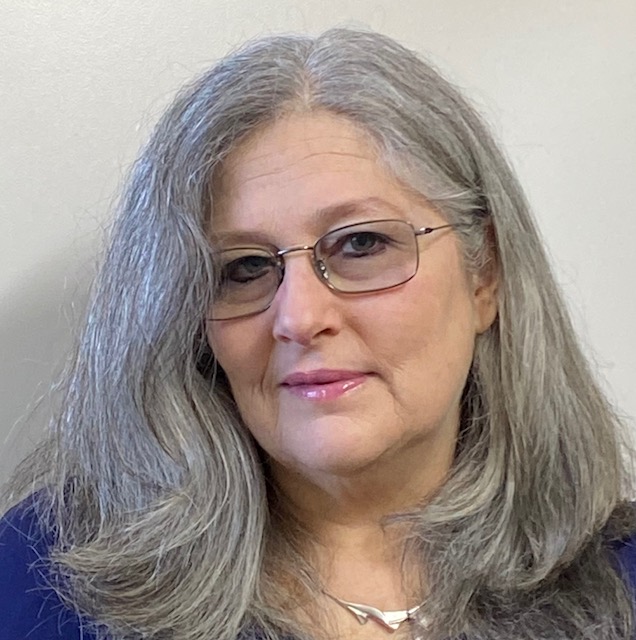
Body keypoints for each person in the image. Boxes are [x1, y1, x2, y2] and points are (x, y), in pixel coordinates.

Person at [1, 28, 635, 640]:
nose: (300, 317)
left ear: (484, 277)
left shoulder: (621, 578)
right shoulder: (39, 588)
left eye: (362, 244)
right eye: (244, 267)